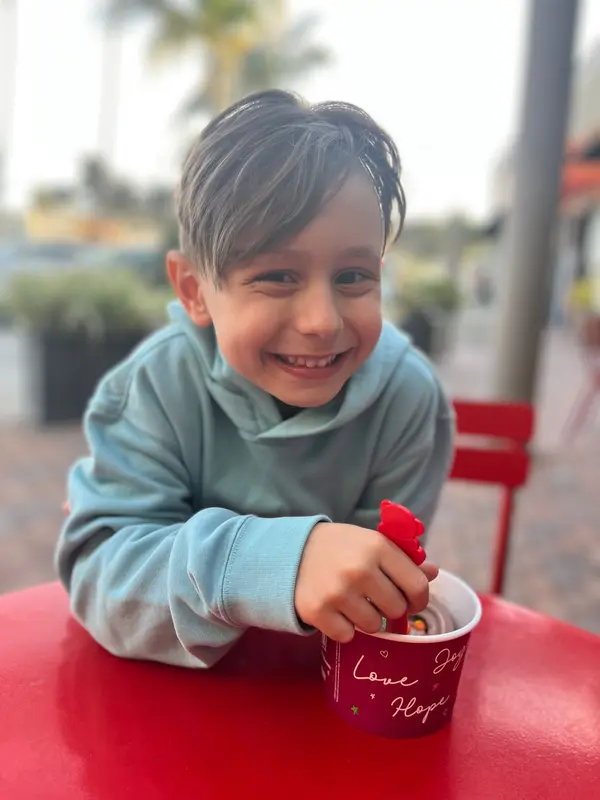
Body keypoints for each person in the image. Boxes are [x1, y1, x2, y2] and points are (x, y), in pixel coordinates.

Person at [56, 90, 454, 669]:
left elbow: (381, 590)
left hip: (315, 691)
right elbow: (102, 581)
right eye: (277, 276)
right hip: (169, 694)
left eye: (353, 276)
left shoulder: (407, 398)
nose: (322, 322)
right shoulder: (155, 386)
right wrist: (275, 563)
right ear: (194, 290)